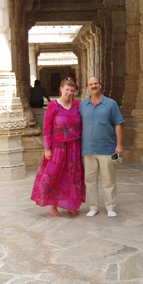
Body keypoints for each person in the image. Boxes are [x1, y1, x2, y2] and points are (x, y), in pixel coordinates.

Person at [31, 77, 85, 217]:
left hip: (74, 146)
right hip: (57, 148)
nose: (69, 93)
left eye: (72, 90)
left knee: (72, 176)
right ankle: (53, 206)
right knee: (56, 176)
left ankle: (70, 204)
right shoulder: (53, 106)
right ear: (61, 89)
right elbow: (46, 128)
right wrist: (47, 148)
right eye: (67, 89)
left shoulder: (76, 105)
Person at [79, 77, 124, 218]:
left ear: (100, 85)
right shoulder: (82, 106)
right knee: (90, 180)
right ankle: (93, 207)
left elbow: (118, 124)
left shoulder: (111, 104)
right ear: (87, 88)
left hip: (107, 148)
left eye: (96, 83)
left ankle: (110, 207)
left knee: (108, 180)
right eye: (91, 84)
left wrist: (119, 144)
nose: (94, 86)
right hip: (88, 149)